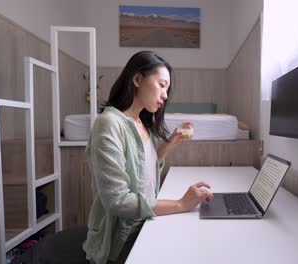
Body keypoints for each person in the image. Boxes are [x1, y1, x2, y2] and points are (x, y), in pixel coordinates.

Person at [82, 51, 213, 264]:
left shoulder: (142, 124)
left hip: (144, 224)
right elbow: (118, 201)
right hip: (120, 242)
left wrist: (172, 141)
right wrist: (181, 204)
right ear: (137, 79)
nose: (165, 95)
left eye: (167, 89)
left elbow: (144, 166)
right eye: (162, 85)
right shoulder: (109, 123)